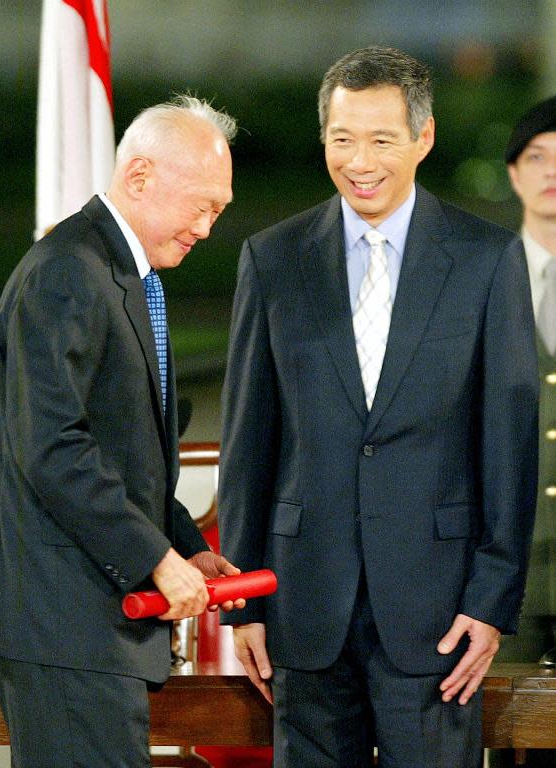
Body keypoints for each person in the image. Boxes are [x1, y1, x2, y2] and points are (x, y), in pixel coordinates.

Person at [218, 46, 538, 768]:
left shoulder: (487, 259)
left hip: (439, 613)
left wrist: (492, 599)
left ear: (424, 139)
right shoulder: (273, 258)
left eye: (381, 139)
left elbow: (509, 446)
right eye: (341, 138)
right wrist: (244, 600)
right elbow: (248, 443)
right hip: (301, 608)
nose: (359, 161)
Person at [0, 95, 241, 768]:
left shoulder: (118, 275)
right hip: (59, 619)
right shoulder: (67, 273)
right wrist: (153, 559)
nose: (205, 227)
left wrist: (185, 548)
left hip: (85, 617)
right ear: (139, 176)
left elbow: (125, 455)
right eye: (202, 205)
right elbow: (53, 449)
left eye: (218, 211)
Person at [501, 97, 556, 667]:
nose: (553, 173)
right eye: (538, 157)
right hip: (505, 572)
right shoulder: (476, 275)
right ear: (515, 174)